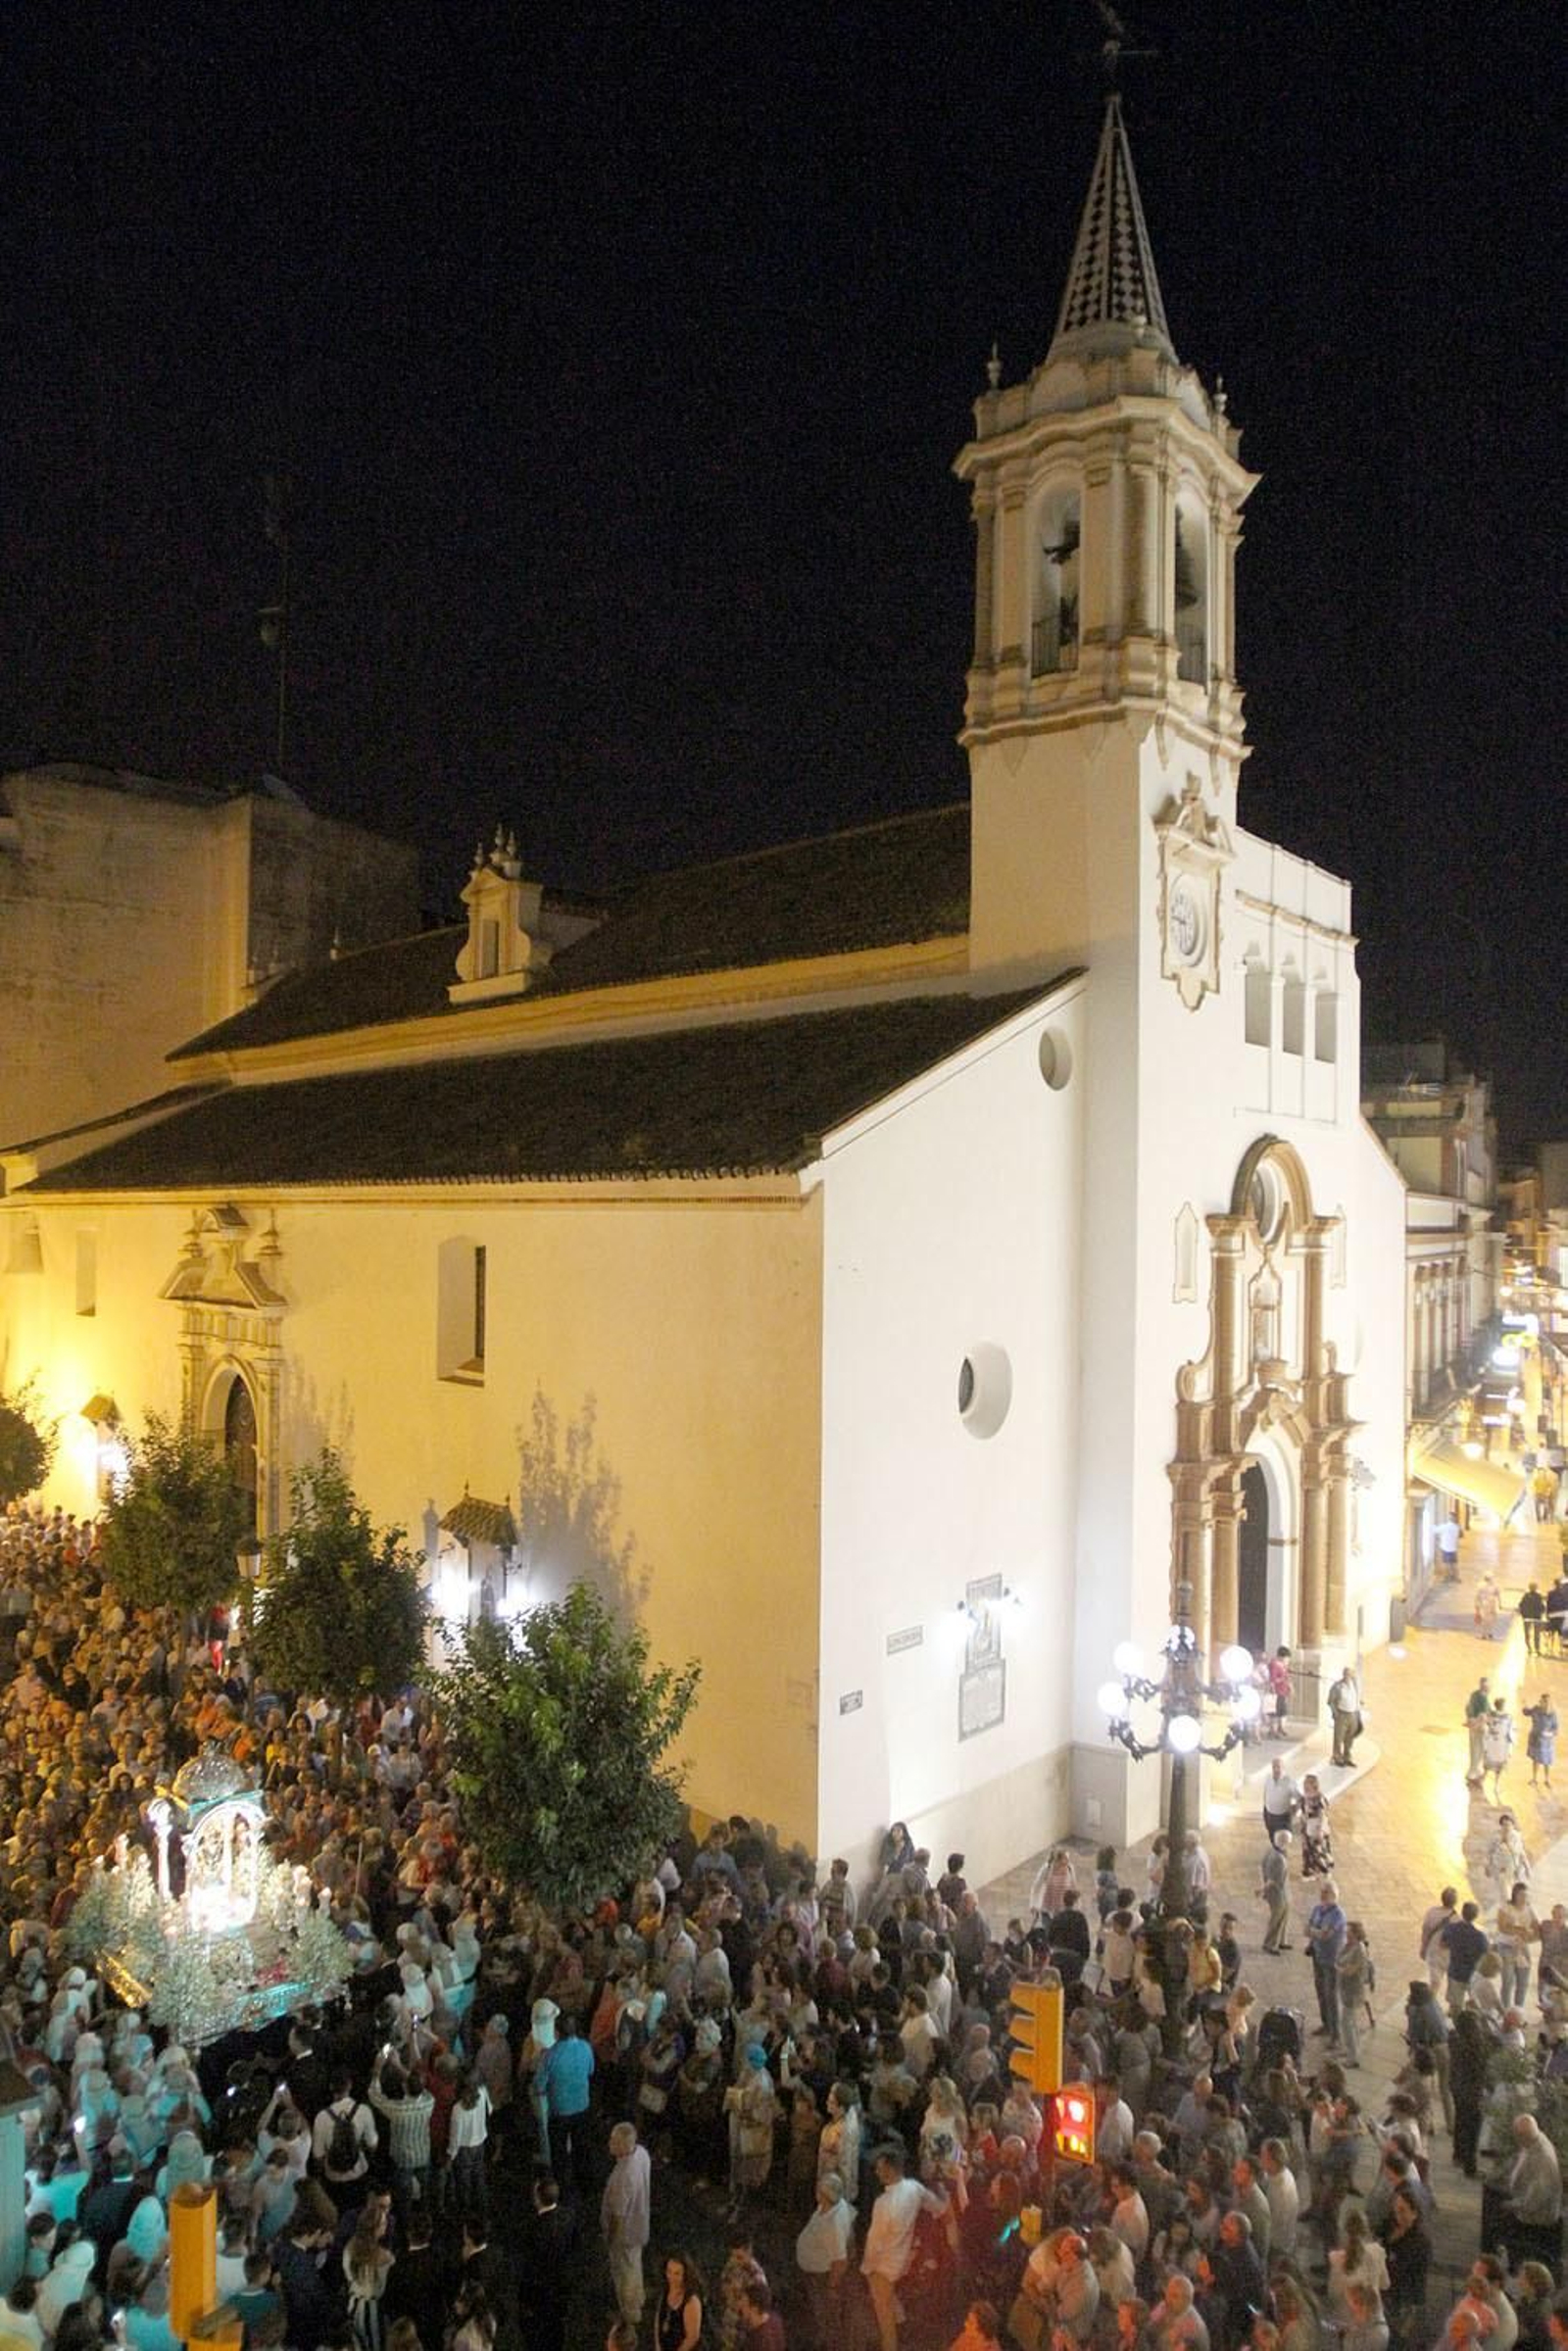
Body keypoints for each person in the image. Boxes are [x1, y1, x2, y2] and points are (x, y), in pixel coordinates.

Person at [861, 2145, 946, 2351]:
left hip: (883, 2266)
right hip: (903, 2259)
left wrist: (867, 2268)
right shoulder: (914, 2188)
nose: (876, 2172)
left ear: (890, 2170)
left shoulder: (883, 2203)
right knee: (891, 2301)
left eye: (880, 2168)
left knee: (884, 2316)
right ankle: (903, 2326)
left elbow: (874, 2242)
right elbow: (937, 2207)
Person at [600, 2121, 652, 2331]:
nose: (609, 2143)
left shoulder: (623, 2176)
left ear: (623, 2145)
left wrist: (611, 2239)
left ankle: (629, 2316)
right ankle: (638, 2299)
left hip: (625, 2235)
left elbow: (618, 2216)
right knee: (635, 2265)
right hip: (640, 2225)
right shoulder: (641, 2154)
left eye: (613, 2140)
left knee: (624, 2274)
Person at [796, 2169, 855, 2346]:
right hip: (816, 2271)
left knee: (826, 2314)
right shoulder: (833, 2205)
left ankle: (830, 2343)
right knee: (820, 2311)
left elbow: (840, 2261)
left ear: (825, 2195)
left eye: (819, 2189)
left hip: (821, 2277)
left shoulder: (833, 2224)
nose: (815, 2191)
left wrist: (832, 2287)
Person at [1306, 1882, 1347, 2044]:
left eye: (1326, 1893)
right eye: (1322, 1892)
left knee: (1331, 1996)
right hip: (1318, 1956)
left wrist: (1313, 1932)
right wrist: (1316, 1932)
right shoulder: (1317, 1909)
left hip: (1332, 1960)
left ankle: (1336, 2034)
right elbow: (1308, 1929)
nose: (1322, 1895)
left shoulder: (1338, 1915)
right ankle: (1326, 2024)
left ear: (1334, 1896)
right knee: (1321, 1992)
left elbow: (1326, 1935)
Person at [655, 2253, 704, 2351]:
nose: (671, 2278)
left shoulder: (691, 2301)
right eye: (669, 2272)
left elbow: (692, 2338)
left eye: (677, 2273)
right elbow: (658, 2321)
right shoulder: (665, 2292)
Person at [1258, 1831, 1292, 1954]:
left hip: (1283, 1891)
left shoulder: (1271, 1851)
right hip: (1278, 1893)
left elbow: (1262, 1866)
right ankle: (1269, 1944)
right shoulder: (1278, 1859)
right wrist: (1262, 1889)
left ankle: (1282, 1940)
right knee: (1276, 1918)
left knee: (1285, 1914)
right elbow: (1272, 1879)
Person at [1298, 1777, 1333, 1879]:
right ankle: (1310, 1871)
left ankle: (1325, 1870)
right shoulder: (1305, 1797)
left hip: (1317, 1828)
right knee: (1307, 1850)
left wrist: (1320, 1830)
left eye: (1307, 1785)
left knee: (1319, 1850)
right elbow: (1301, 1809)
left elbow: (1322, 1815)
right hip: (1307, 1827)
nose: (1305, 1788)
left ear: (1314, 1786)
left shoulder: (1319, 1798)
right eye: (1304, 1785)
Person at [1482, 1696, 1515, 1803]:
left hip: (1493, 1742)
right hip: (1501, 1744)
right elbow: (1511, 1732)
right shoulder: (1508, 1717)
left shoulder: (1490, 1716)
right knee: (1498, 1766)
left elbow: (1486, 1728)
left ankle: (1485, 1780)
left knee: (1489, 1763)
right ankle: (1495, 1784)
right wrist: (1511, 1745)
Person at [1327, 1668, 1361, 1768]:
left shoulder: (1354, 1685)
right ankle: (1337, 1756)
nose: (1348, 1676)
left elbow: (1357, 1697)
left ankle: (1347, 1757)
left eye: (1350, 1674)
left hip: (1353, 1714)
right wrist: (1335, 1713)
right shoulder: (1337, 1686)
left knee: (1350, 1737)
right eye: (1346, 1674)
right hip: (1342, 1714)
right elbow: (1330, 1701)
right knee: (1339, 1737)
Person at [1527, 1694, 1559, 1789]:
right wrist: (1524, 1705)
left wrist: (1549, 1734)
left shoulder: (1552, 1714)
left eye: (1542, 1702)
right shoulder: (1536, 1709)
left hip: (1547, 1743)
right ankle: (1534, 1779)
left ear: (1547, 1703)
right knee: (1536, 1760)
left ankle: (1547, 1779)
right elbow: (1527, 1712)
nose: (1540, 1703)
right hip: (1536, 1740)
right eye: (1540, 1701)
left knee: (1547, 1761)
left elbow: (1556, 1729)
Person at [1464, 1677, 1492, 1785]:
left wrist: (1470, 1719)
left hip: (1472, 1726)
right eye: (1487, 1686)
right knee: (1479, 1750)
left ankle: (1473, 1770)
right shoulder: (1483, 1698)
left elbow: (1467, 1708)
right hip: (1479, 1727)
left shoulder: (1474, 1695)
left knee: (1474, 1749)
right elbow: (1484, 1714)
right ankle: (1474, 1772)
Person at [1474, 1571, 1501, 1639]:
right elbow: (1477, 1596)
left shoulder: (1493, 1585)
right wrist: (1477, 1606)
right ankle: (1486, 1633)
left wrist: (1500, 1604)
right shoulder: (1482, 1585)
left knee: (1490, 1618)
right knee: (1487, 1619)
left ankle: (1487, 1633)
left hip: (1489, 1603)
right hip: (1487, 1603)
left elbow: (1498, 1595)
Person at [1521, 1582, 1547, 1653]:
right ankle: (1537, 1648)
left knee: (1527, 1634)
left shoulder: (1526, 1596)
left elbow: (1521, 1606)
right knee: (1537, 1634)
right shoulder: (1538, 1596)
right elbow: (1542, 1607)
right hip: (1536, 1618)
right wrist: (1541, 1614)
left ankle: (1529, 1647)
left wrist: (1523, 1615)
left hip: (1527, 1618)